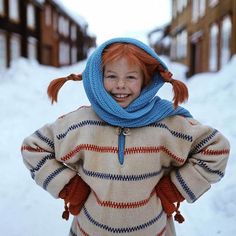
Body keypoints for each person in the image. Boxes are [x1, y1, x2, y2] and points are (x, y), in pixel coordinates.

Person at [21, 37, 230, 236]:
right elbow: (34, 148)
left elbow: (215, 148)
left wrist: (174, 189)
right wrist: (69, 187)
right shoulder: (80, 123)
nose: (120, 85)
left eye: (131, 77)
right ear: (98, 77)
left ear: (146, 80)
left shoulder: (167, 125)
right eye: (111, 76)